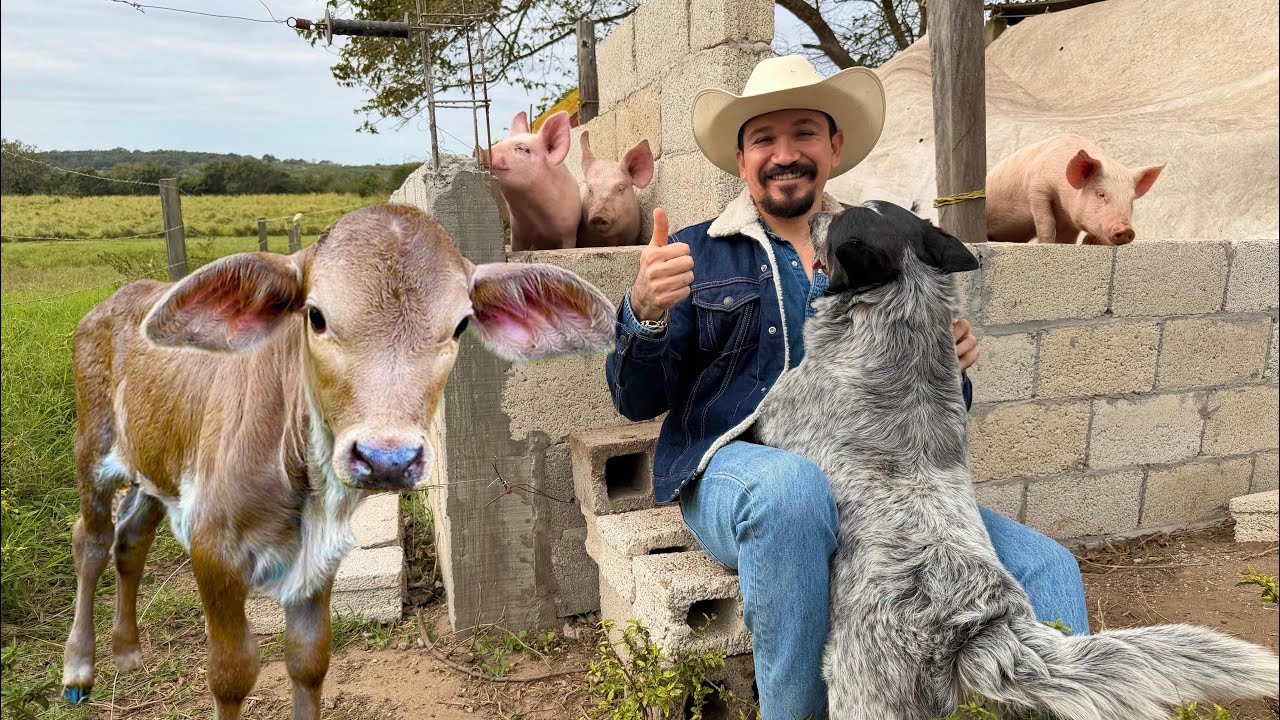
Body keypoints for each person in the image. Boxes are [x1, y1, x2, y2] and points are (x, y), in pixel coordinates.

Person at [603, 55, 1090, 720]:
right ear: (742, 160)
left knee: (1049, 569)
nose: (784, 154)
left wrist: (951, 369)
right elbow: (635, 400)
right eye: (763, 139)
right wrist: (645, 310)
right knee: (789, 492)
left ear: (833, 146)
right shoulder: (695, 252)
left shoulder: (885, 242)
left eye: (803, 133)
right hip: (740, 476)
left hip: (875, 489)